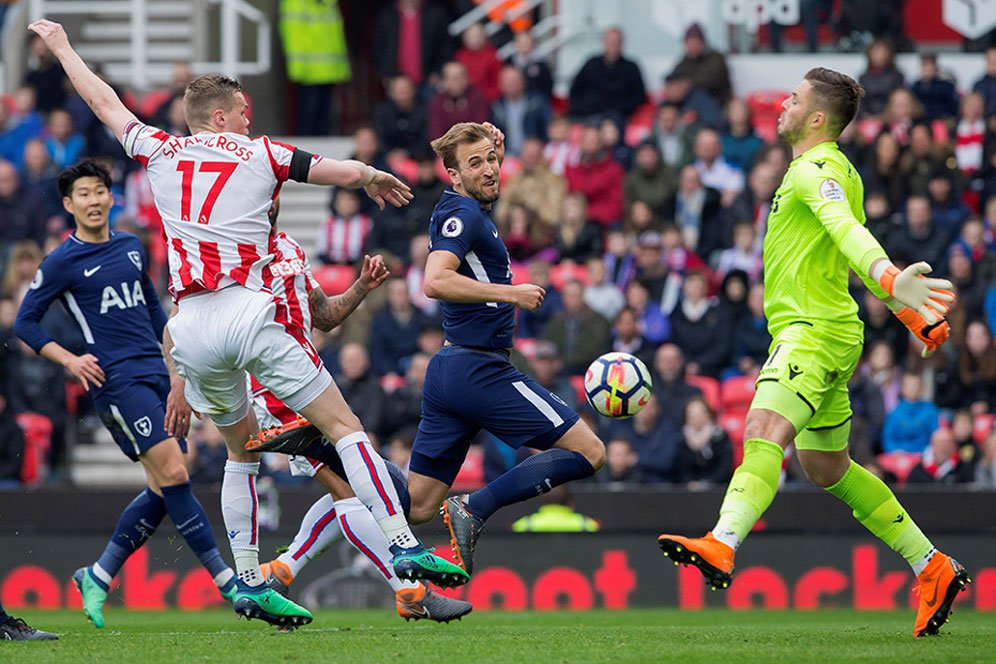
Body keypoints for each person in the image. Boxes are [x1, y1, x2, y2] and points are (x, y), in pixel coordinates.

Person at [27, 17, 465, 620]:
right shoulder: (262, 153)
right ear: (220, 115)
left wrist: (62, 46)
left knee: (239, 453)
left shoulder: (158, 148)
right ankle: (404, 547)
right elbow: (335, 169)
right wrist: (372, 176)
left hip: (190, 328)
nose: (249, 118)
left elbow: (102, 100)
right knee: (345, 428)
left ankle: (251, 578)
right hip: (243, 309)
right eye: (242, 110)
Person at [657, 67, 970, 638]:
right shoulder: (838, 170)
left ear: (818, 117)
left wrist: (891, 276)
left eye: (794, 98)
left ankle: (722, 543)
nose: (782, 103)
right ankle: (933, 565)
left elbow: (846, 230)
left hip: (812, 332)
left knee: (762, 425)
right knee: (826, 466)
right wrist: (901, 307)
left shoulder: (815, 168)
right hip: (828, 330)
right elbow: (839, 249)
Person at [13, 161, 243, 629]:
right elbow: (25, 322)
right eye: (83, 194)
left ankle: (98, 574)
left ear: (110, 197)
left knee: (163, 487)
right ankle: (227, 580)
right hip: (115, 382)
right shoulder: (61, 260)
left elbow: (155, 316)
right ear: (68, 203)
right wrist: (71, 360)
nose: (94, 200)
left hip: (157, 375)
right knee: (176, 472)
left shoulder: (132, 247)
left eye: (100, 191)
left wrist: (178, 368)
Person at [388, 121, 606, 576]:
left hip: (451, 369)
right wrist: (513, 294)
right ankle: (475, 507)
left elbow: (481, 187)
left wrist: (491, 154)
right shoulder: (463, 216)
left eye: (492, 159)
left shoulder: (466, 206)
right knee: (590, 452)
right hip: (479, 369)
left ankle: (331, 453)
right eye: (476, 163)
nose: (489, 169)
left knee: (418, 505)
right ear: (452, 174)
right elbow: (434, 280)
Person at [243, 212, 472, 623]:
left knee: (346, 487)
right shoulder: (232, 254)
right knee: (348, 490)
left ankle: (282, 570)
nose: (268, 199)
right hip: (274, 391)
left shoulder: (291, 249)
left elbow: (324, 316)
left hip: (308, 376)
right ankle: (409, 590)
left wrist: (362, 287)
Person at [568, 27, 646, 122]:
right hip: (587, 114)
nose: (612, 44)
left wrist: (618, 108)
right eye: (610, 40)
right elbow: (575, 91)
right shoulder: (591, 64)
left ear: (622, 43)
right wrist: (585, 107)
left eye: (616, 41)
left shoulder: (631, 68)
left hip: (617, 117)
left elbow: (639, 97)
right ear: (603, 42)